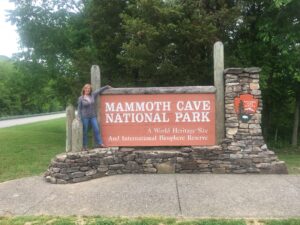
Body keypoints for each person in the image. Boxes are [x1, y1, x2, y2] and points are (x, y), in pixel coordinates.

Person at [77, 84, 111, 151]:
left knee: (96, 130)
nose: (88, 90)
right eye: (86, 88)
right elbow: (79, 108)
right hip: (85, 117)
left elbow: (99, 90)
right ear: (84, 89)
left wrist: (106, 86)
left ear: (90, 90)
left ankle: (100, 143)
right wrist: (79, 117)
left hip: (93, 116)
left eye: (89, 89)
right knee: (85, 132)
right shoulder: (81, 98)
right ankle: (85, 146)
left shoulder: (92, 95)